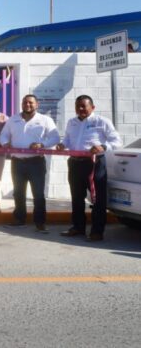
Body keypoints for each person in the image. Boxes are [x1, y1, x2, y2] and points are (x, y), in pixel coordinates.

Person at [57, 95, 122, 242]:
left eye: (83, 106)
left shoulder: (102, 121)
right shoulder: (71, 122)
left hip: (94, 164)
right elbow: (67, 139)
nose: (80, 109)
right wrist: (63, 145)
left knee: (98, 199)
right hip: (74, 163)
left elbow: (117, 141)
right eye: (77, 106)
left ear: (92, 107)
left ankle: (97, 231)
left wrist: (103, 147)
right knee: (77, 197)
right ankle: (78, 227)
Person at [0, 94, 60, 232]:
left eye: (31, 103)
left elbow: (55, 137)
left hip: (36, 162)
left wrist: (42, 144)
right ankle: (19, 219)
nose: (27, 105)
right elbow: (3, 135)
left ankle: (40, 223)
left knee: (38, 194)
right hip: (17, 162)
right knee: (18, 192)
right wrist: (5, 143)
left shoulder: (45, 120)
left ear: (37, 105)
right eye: (25, 102)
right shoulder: (13, 119)